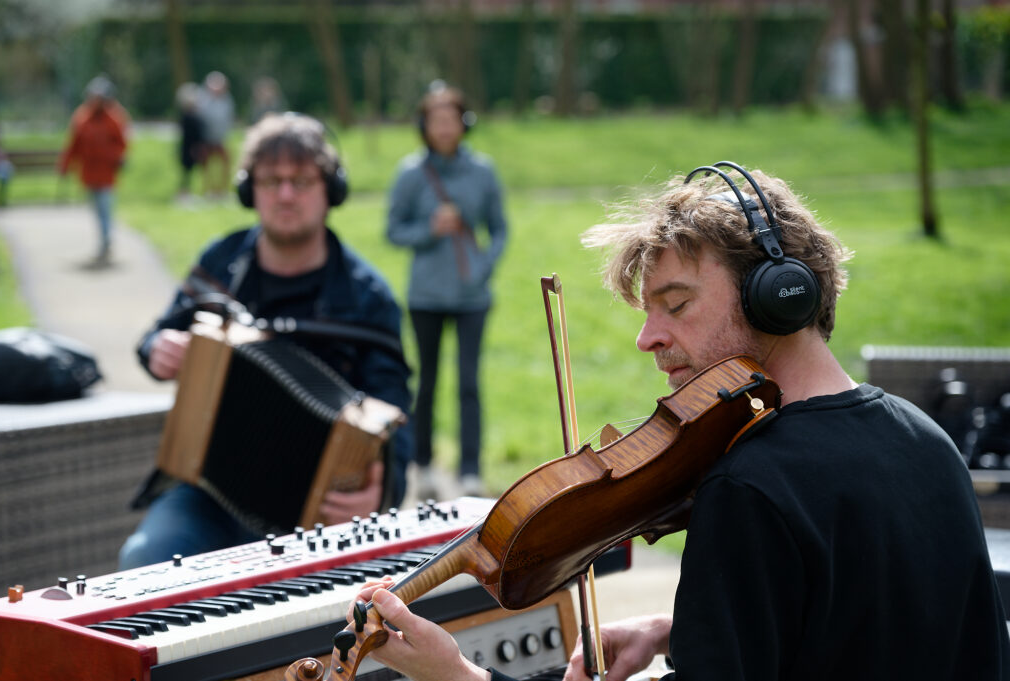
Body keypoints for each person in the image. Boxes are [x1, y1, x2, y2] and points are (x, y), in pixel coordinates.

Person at [350, 163, 1010, 681]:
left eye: (676, 304)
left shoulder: (752, 487)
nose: (647, 337)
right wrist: (678, 629)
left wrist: (459, 673)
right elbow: (872, 632)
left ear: (775, 296)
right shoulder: (927, 440)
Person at [119, 112, 413, 570]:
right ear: (247, 189)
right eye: (271, 180)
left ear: (331, 190)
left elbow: (396, 416)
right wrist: (158, 347)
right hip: (208, 489)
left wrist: (383, 490)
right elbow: (159, 332)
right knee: (145, 558)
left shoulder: (366, 298)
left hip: (314, 512)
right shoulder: (221, 262)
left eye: (302, 180)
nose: (286, 194)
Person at [386, 82, 507, 499]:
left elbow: (500, 228)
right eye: (435, 120)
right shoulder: (410, 174)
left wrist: (484, 266)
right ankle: (422, 466)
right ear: (424, 125)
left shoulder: (483, 171)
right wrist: (428, 229)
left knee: (469, 382)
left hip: (473, 295)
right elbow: (393, 230)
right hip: (425, 296)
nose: (443, 127)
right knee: (428, 381)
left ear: (464, 123)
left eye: (450, 119)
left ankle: (470, 470)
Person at [58, 74, 129, 263]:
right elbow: (73, 145)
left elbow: (122, 143)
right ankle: (103, 241)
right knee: (97, 210)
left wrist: (117, 157)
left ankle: (106, 242)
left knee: (105, 208)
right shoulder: (82, 117)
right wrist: (65, 165)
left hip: (106, 173)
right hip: (89, 172)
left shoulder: (114, 118)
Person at [196, 70, 235, 197]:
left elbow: (229, 119)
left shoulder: (227, 100)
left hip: (220, 139)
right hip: (206, 139)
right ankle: (208, 190)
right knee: (206, 167)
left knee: (225, 164)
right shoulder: (203, 100)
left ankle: (222, 190)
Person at [174, 82, 204, 201]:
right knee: (186, 173)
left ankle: (187, 192)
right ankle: (184, 193)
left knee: (189, 173)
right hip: (189, 147)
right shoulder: (187, 116)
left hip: (191, 147)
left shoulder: (191, 115)